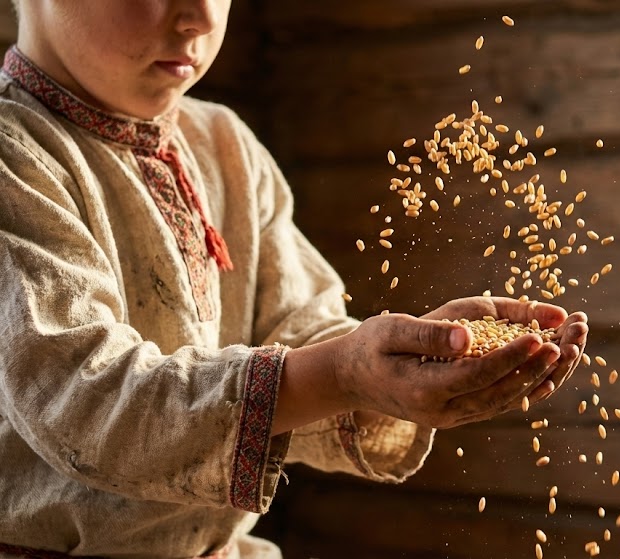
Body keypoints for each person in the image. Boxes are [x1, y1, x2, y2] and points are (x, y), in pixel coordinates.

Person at [0, 1, 589, 557]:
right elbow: (85, 396)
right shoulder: (14, 153)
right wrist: (344, 373)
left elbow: (301, 329)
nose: (199, 17)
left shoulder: (222, 143)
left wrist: (399, 369)